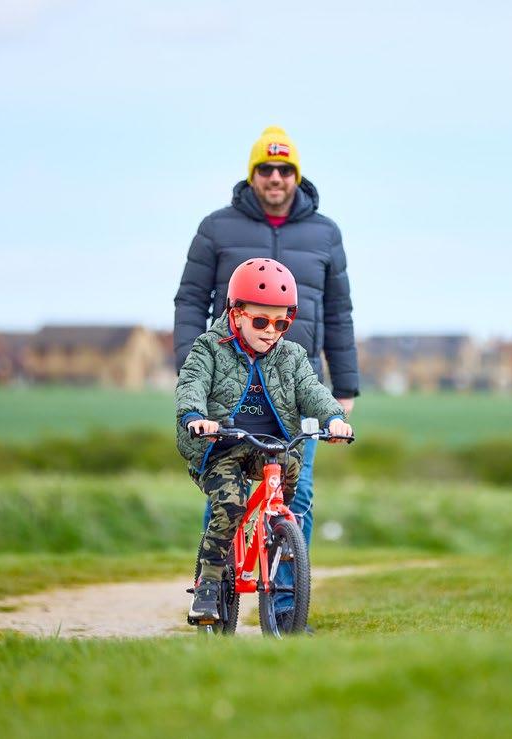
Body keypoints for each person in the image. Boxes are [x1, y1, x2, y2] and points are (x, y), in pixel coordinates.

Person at [173, 125, 359, 626]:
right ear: (252, 174)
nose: (275, 177)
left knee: (298, 497)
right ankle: (216, 586)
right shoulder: (217, 228)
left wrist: (342, 392)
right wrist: (194, 371)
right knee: (227, 497)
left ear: (296, 176)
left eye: (284, 169)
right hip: (226, 382)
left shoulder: (325, 233)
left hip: (293, 386)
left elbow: (338, 312)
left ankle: (285, 609)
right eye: (266, 169)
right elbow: (190, 300)